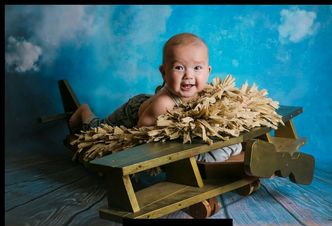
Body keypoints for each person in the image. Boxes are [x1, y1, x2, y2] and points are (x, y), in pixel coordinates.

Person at [69, 33, 242, 163]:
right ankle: (84, 112)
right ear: (164, 72)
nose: (189, 75)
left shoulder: (206, 92)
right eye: (179, 68)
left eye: (197, 68)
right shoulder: (164, 104)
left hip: (149, 101)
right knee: (98, 130)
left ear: (208, 72)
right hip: (133, 115)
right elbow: (140, 132)